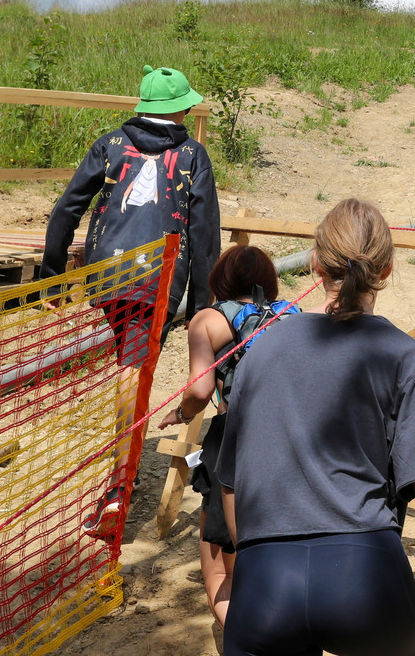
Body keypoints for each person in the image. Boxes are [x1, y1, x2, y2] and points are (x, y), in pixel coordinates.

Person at [216, 198, 415, 656]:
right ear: (387, 269)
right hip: (366, 576)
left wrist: (257, 565)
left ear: (315, 263)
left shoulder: (261, 350)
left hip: (266, 580)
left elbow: (232, 484)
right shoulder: (406, 357)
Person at [40, 64, 220, 535]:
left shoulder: (110, 144)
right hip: (154, 285)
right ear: (181, 109)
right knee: (133, 375)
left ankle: (122, 474)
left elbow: (66, 209)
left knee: (127, 366)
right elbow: (203, 238)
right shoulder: (193, 154)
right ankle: (119, 488)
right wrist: (204, 306)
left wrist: (53, 277)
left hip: (106, 278)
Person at [157, 245, 285, 627]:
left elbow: (200, 390)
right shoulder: (294, 314)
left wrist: (180, 414)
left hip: (237, 437)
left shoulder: (208, 319)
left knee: (221, 570)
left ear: (221, 279)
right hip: (290, 437)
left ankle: (247, 640)